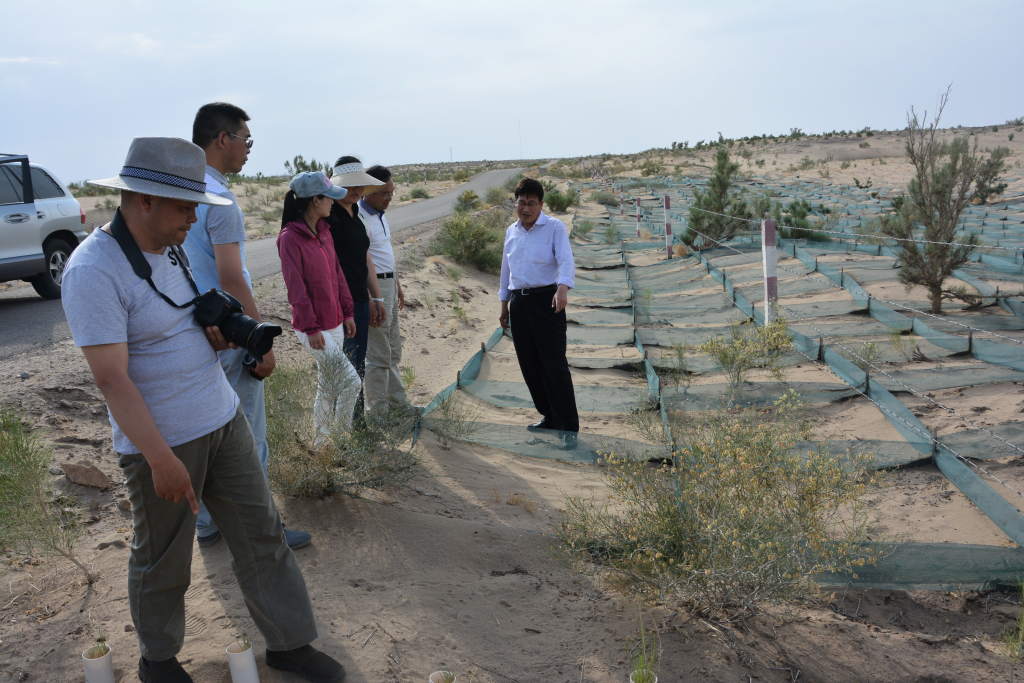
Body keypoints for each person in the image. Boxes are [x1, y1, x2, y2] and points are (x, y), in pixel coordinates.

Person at [61, 138, 345, 682]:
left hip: (221, 417)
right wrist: (160, 458)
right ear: (143, 199)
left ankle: (289, 643)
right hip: (163, 441)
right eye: (185, 206)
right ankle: (159, 661)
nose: (193, 219)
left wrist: (234, 346)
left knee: (262, 535)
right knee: (163, 561)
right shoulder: (93, 270)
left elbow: (178, 326)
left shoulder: (168, 247)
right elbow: (111, 378)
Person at [182, 102, 311, 550]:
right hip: (230, 331)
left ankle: (207, 525)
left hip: (195, 328)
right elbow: (232, 276)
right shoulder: (220, 198)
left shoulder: (179, 189)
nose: (248, 151)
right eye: (246, 140)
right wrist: (260, 341)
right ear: (223, 139)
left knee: (207, 434)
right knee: (248, 436)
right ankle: (262, 532)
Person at [278, 171, 360, 440]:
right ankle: (341, 438)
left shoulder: (325, 231)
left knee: (328, 386)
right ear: (315, 200)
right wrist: (311, 328)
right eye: (329, 198)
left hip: (335, 320)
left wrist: (347, 312)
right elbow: (296, 288)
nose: (333, 203)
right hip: (313, 328)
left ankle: (322, 442)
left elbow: (337, 274)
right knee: (351, 383)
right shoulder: (289, 238)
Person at [498, 177, 579, 449]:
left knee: (553, 365)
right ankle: (549, 416)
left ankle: (568, 427)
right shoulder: (512, 231)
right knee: (529, 365)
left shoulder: (554, 228)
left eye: (531, 203)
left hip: (548, 300)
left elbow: (566, 259)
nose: (526, 208)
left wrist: (563, 288)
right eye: (521, 202)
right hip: (519, 303)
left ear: (541, 204)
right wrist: (503, 304)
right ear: (516, 203)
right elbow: (506, 270)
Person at [326, 156, 385, 417]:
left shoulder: (355, 215)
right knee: (347, 366)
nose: (357, 191)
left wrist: (377, 297)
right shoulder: (328, 216)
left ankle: (357, 423)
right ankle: (345, 427)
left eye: (359, 185)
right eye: (350, 186)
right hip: (339, 304)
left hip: (359, 299)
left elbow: (365, 257)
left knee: (358, 361)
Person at [360, 165, 413, 414]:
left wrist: (397, 285)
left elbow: (384, 255)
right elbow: (363, 262)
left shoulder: (381, 215)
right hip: (376, 289)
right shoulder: (359, 216)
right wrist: (374, 296)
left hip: (389, 284)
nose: (389, 197)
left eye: (391, 192)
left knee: (392, 347)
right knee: (379, 352)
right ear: (368, 190)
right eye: (384, 193)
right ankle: (378, 410)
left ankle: (397, 402)